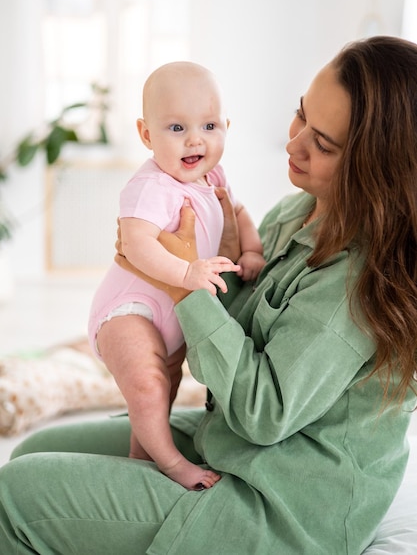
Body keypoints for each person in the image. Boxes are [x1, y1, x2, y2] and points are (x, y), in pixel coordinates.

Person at [1, 36, 417, 554]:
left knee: (12, 498)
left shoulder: (355, 282)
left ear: (379, 168)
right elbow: (233, 339)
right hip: (232, 444)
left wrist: (180, 285)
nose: (294, 144)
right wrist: (213, 264)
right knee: (37, 449)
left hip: (278, 499)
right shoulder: (293, 214)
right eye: (300, 114)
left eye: (324, 143)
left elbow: (263, 413)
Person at [88, 61, 265, 490]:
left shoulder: (214, 177)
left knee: (163, 392)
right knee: (148, 388)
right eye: (175, 128)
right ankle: (171, 464)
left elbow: (235, 211)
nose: (194, 139)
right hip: (131, 312)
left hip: (172, 317)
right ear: (146, 135)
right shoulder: (152, 187)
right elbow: (136, 244)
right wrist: (187, 271)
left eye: (208, 125)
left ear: (226, 126)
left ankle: (141, 462)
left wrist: (251, 250)